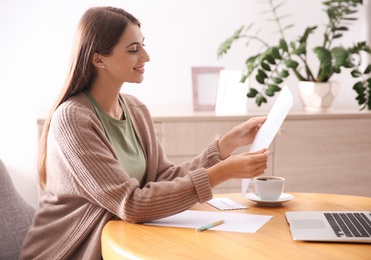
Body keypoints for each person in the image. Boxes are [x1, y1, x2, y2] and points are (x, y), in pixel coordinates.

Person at [19, 6, 269, 259]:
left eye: (143, 45)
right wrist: (221, 173)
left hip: (121, 239)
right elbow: (132, 204)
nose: (146, 57)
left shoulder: (135, 110)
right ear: (98, 59)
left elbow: (163, 178)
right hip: (72, 250)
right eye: (133, 50)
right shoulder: (73, 120)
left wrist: (224, 146)